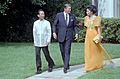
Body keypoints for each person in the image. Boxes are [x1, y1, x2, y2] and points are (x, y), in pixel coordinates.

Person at [84, 5, 113, 72]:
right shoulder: (86, 18)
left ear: (92, 11)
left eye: (88, 11)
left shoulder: (97, 18)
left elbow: (98, 28)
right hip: (88, 36)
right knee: (88, 51)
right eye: (86, 11)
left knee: (95, 51)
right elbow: (87, 28)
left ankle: (96, 65)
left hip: (94, 36)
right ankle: (88, 66)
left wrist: (99, 36)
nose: (87, 12)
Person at [53, 4, 78, 73]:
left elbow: (75, 26)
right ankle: (66, 64)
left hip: (69, 36)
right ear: (65, 9)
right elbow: (54, 24)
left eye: (70, 8)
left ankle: (65, 67)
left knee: (67, 51)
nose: (70, 10)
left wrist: (76, 33)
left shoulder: (72, 16)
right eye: (69, 8)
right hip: (61, 36)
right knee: (62, 51)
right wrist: (54, 32)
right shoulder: (59, 15)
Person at [33, 9, 55, 74]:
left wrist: (48, 40)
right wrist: (34, 40)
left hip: (44, 41)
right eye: (41, 14)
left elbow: (49, 31)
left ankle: (50, 65)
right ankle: (39, 68)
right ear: (38, 15)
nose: (43, 15)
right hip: (37, 42)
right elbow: (34, 32)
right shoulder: (35, 23)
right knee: (37, 55)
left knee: (46, 54)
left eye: (43, 14)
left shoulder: (47, 23)